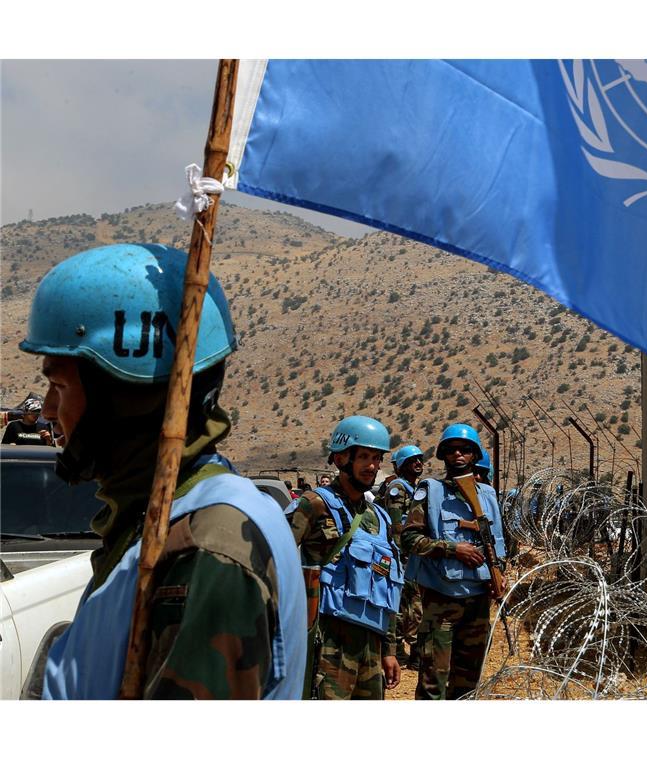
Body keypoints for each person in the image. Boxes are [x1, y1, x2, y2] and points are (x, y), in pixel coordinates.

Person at [18, 243, 306, 699]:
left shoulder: (208, 544)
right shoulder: (162, 517)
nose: (50, 410)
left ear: (126, 397)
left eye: (59, 386)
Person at [286, 416, 402, 699]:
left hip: (370, 644)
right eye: (363, 456)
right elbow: (278, 562)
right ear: (340, 459)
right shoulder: (313, 505)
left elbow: (387, 589)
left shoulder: (380, 518)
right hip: (328, 641)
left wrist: (389, 651)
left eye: (376, 458)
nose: (372, 466)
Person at [402, 423, 506, 700]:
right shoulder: (430, 491)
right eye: (452, 450)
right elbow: (410, 539)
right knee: (433, 680)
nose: (458, 454)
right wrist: (452, 549)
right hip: (441, 599)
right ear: (444, 455)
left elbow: (497, 544)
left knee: (469, 679)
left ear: (474, 455)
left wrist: (499, 574)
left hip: (478, 601)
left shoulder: (488, 495)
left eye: (465, 450)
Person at [383, 444, 425, 669]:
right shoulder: (398, 488)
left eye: (420, 459)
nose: (418, 463)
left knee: (410, 604)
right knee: (408, 604)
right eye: (412, 461)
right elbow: (397, 525)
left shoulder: (412, 488)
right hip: (403, 556)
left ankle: (408, 649)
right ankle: (403, 650)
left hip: (411, 555)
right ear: (402, 466)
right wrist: (404, 554)